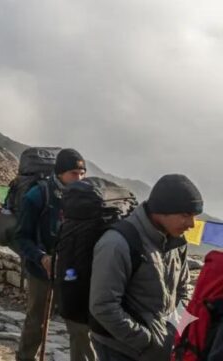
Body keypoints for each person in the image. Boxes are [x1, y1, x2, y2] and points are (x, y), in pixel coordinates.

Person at [89, 174, 200, 361]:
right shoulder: (117, 244)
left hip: (159, 348)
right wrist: (148, 341)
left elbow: (183, 288)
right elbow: (103, 306)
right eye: (185, 215)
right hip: (120, 349)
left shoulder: (176, 243)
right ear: (163, 210)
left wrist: (178, 331)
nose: (191, 224)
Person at [15, 149, 94, 361]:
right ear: (60, 173)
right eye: (74, 173)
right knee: (37, 320)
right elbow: (22, 237)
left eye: (82, 173)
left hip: (71, 270)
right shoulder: (38, 195)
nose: (79, 178)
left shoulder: (85, 198)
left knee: (78, 323)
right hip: (42, 269)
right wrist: (41, 257)